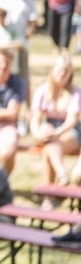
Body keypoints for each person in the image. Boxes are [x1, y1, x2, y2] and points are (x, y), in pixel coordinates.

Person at [29, 56, 81, 194]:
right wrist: (37, 134)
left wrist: (57, 132)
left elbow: (71, 121)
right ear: (53, 70)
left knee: (49, 148)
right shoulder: (43, 91)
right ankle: (61, 175)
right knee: (48, 137)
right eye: (59, 70)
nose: (62, 74)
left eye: (66, 71)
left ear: (70, 74)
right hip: (50, 133)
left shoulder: (75, 93)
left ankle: (50, 194)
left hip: (69, 132)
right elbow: (35, 119)